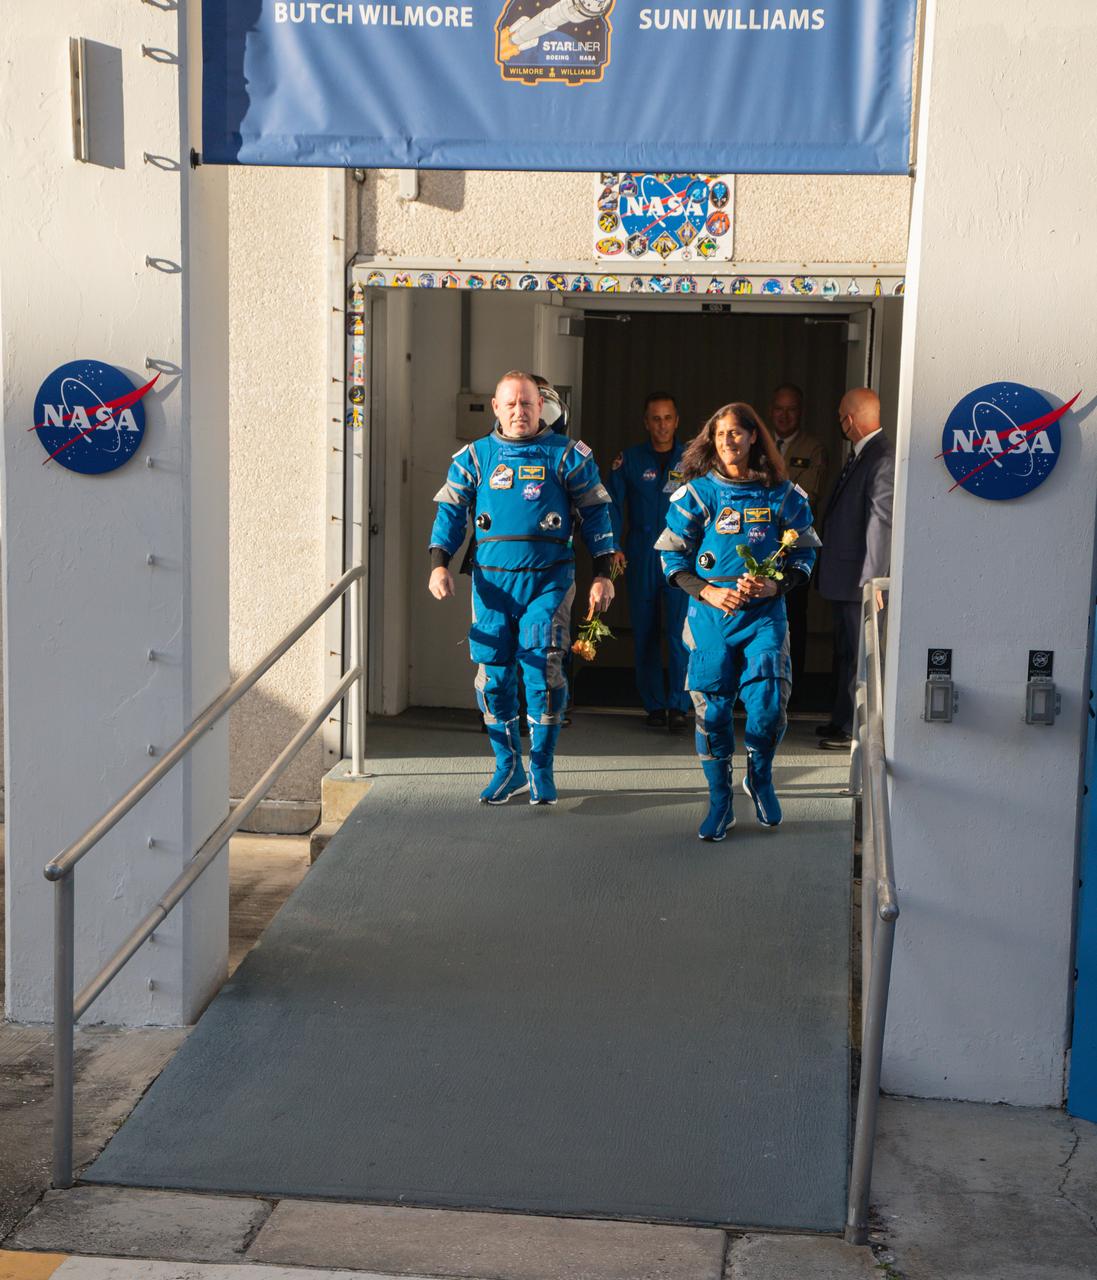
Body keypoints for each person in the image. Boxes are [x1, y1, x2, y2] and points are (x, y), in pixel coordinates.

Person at [428, 371, 617, 804]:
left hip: (548, 582)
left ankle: (542, 769)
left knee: (542, 669)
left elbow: (596, 515)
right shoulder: (474, 458)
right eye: (510, 404)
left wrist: (604, 573)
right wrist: (438, 565)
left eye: (527, 404)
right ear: (495, 407)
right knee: (493, 677)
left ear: (541, 407)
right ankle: (507, 766)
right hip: (491, 585)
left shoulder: (568, 455)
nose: (519, 412)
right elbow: (450, 513)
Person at [656, 404, 819, 840]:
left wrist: (775, 587)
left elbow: (805, 555)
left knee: (767, 705)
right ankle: (720, 801)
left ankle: (760, 777)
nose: (729, 440)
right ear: (712, 440)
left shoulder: (783, 494)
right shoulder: (695, 495)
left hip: (764, 616)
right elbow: (671, 558)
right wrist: (708, 590)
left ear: (753, 438)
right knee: (713, 713)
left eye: (737, 433)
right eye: (721, 433)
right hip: (711, 617)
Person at [606, 392, 692, 728]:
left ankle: (679, 704)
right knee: (645, 631)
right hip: (641, 551)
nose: (662, 425)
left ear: (677, 421)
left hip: (680, 555)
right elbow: (611, 504)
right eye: (655, 418)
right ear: (646, 422)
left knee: (679, 631)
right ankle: (654, 704)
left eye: (668, 418)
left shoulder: (692, 460)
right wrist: (613, 545)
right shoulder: (628, 460)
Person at [815, 388, 895, 751]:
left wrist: (872, 580)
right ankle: (841, 718)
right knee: (846, 652)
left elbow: (881, 521)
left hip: (860, 580)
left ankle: (853, 728)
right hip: (845, 579)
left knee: (860, 655)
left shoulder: (882, 457)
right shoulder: (864, 455)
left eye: (841, 416)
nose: (840, 424)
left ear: (850, 418)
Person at [768, 383, 829, 692]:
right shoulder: (759, 445)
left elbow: (808, 496)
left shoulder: (812, 448)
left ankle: (794, 687)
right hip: (760, 545)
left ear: (800, 413)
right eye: (779, 408)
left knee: (793, 616)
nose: (784, 415)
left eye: (791, 409)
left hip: (793, 548)